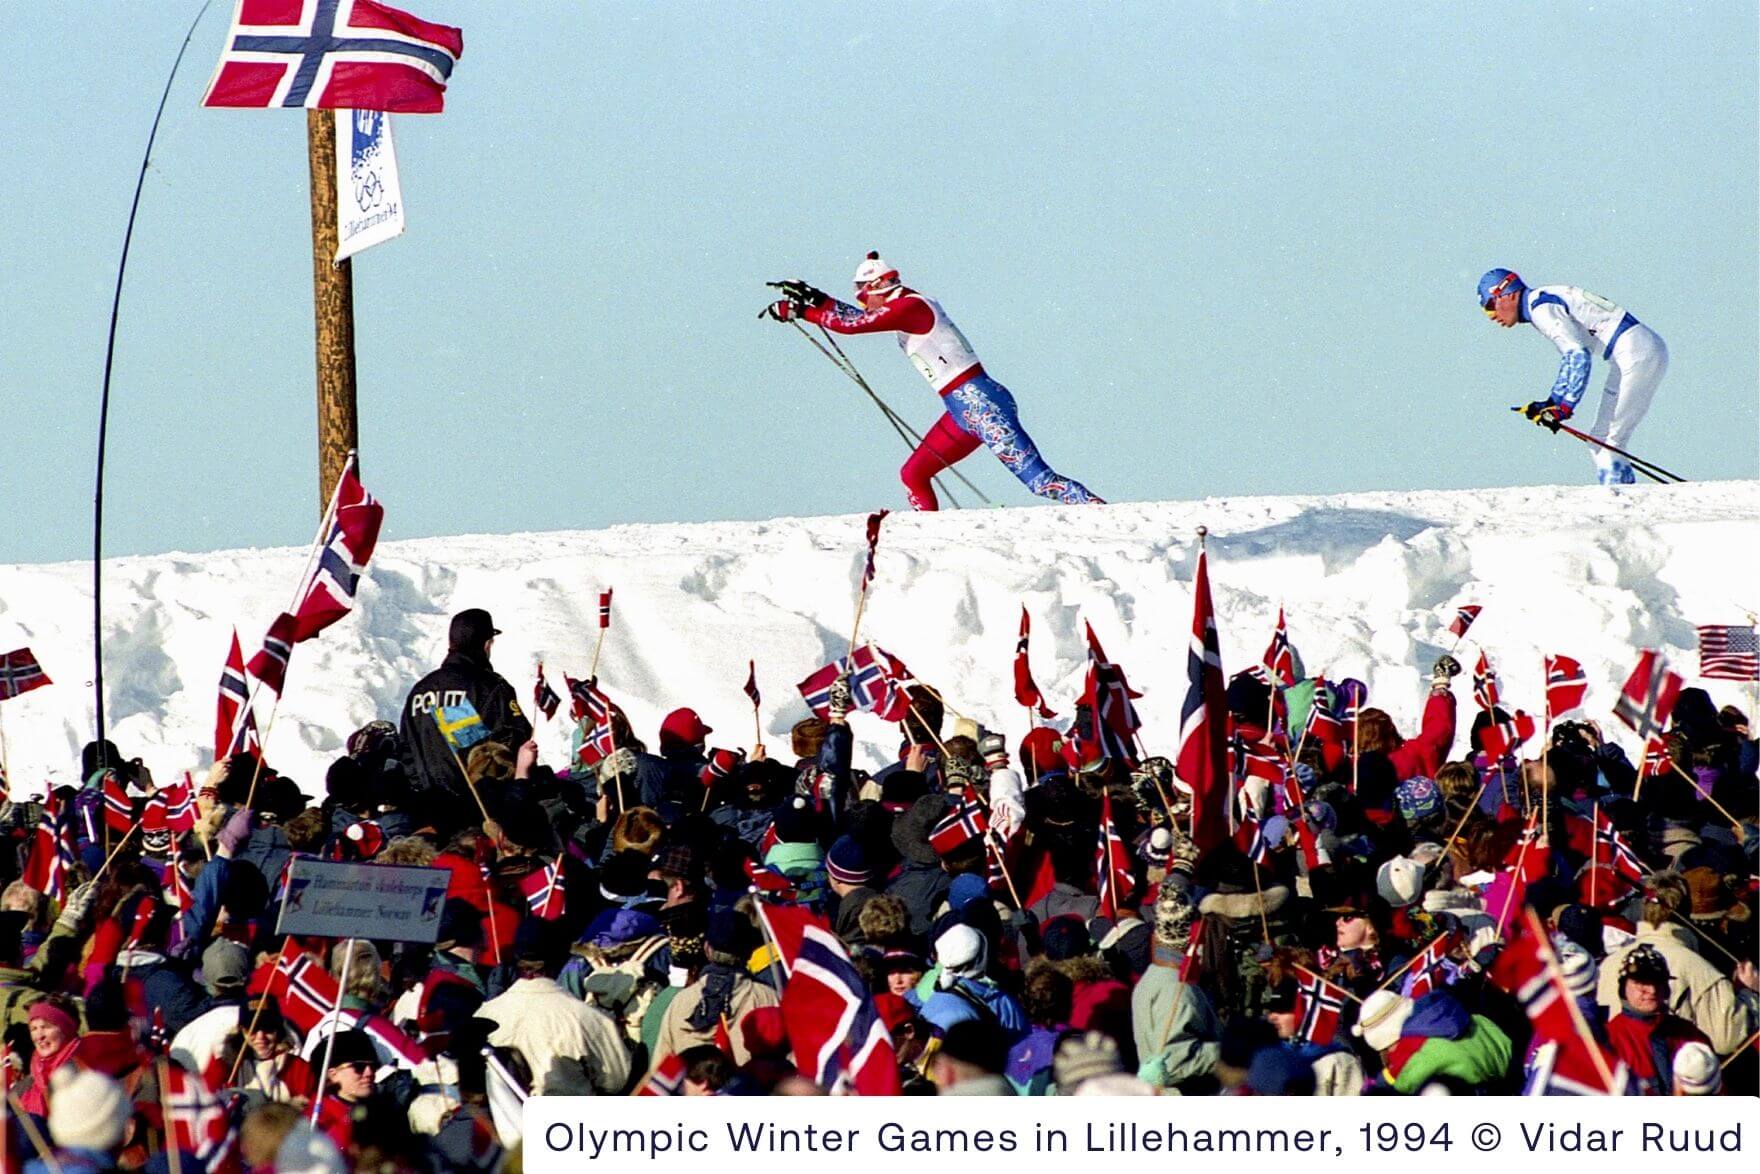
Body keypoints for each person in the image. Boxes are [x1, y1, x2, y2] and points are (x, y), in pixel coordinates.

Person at [770, 253, 1103, 510]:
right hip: (962, 411)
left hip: (983, 407)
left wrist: (803, 312)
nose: (861, 304)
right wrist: (815, 298)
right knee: (913, 474)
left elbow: (854, 325)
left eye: (861, 296)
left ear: (878, 287)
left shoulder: (910, 307)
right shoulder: (902, 306)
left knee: (1041, 483)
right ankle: (928, 540)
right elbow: (857, 318)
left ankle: (1105, 516)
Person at [1478, 268, 1667, 484]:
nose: (1491, 316)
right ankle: (1623, 492)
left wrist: (1565, 406)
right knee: (1603, 441)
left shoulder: (1541, 308)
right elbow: (1571, 357)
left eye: (1489, 305)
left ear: (1508, 293)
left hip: (1636, 353)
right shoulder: (1540, 301)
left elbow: (1578, 354)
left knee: (1605, 442)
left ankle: (1621, 497)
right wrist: (1552, 402)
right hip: (1638, 350)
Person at [399, 608, 533, 821]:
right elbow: (515, 741)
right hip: (479, 812)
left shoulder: (419, 690)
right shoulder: (488, 686)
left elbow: (406, 753)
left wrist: (425, 794)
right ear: (486, 644)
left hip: (430, 813)